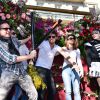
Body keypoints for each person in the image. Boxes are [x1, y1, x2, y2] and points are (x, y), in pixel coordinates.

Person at [0, 20, 38, 100]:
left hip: (21, 71)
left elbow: (20, 42)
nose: (8, 30)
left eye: (9, 28)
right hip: (8, 72)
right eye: (5, 29)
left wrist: (29, 37)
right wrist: (29, 56)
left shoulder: (13, 39)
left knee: (34, 95)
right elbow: (10, 59)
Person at [35, 31, 61, 100]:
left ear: (56, 38)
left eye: (53, 36)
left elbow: (65, 53)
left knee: (53, 90)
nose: (51, 38)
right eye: (49, 37)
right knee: (42, 90)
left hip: (48, 70)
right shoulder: (43, 43)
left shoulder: (57, 47)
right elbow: (34, 48)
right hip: (40, 67)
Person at [58, 33, 84, 100]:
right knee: (68, 91)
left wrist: (81, 70)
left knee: (77, 91)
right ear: (67, 40)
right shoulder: (63, 48)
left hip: (75, 69)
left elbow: (78, 61)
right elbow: (65, 56)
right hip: (66, 70)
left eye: (73, 38)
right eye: (70, 38)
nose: (72, 39)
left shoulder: (77, 50)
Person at [84, 29, 100, 100]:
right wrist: (90, 66)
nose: (94, 34)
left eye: (96, 33)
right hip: (96, 64)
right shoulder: (89, 44)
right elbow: (88, 56)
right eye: (92, 34)